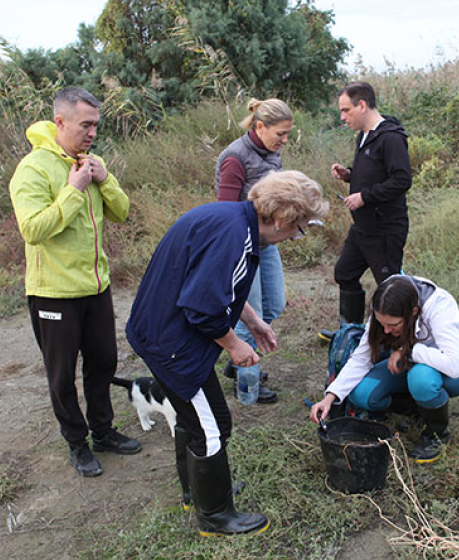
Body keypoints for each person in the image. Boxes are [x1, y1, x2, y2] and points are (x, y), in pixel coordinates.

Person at [126, 171, 329, 536]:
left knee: (206, 418)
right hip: (172, 341)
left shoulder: (233, 220)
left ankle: (197, 492)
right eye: (299, 229)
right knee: (211, 428)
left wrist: (252, 322)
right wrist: (235, 345)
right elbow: (203, 307)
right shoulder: (234, 237)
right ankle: (215, 516)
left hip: (165, 331)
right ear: (282, 218)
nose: (296, 238)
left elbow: (219, 286)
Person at [9, 86, 141, 478]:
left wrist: (104, 178)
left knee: (103, 362)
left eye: (96, 125)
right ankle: (76, 443)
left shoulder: (90, 161)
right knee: (62, 374)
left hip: (96, 287)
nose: (92, 133)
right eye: (86, 124)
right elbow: (33, 229)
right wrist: (73, 191)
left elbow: (121, 212)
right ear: (60, 122)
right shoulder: (32, 169)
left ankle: (103, 431)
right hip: (53, 293)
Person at [309, 275, 459, 464]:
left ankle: (436, 434)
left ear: (413, 312)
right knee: (362, 393)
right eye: (382, 324)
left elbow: (454, 365)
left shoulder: (439, 307)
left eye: (393, 325)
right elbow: (361, 358)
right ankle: (420, 405)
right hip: (412, 362)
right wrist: (330, 396)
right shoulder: (385, 303)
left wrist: (408, 351)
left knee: (421, 377)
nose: (386, 331)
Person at [215, 98, 295, 404]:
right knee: (249, 315)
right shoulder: (235, 158)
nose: (284, 140)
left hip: (267, 242)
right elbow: (224, 212)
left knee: (273, 305)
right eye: (281, 133)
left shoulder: (272, 152)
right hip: (241, 246)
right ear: (260, 126)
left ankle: (235, 365)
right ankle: (247, 381)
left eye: (288, 134)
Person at [323, 81, 413, 339]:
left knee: (390, 288)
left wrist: (364, 197)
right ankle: (349, 333)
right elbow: (375, 173)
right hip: (363, 228)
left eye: (346, 110)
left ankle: (398, 340)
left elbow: (401, 180)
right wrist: (350, 175)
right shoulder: (363, 135)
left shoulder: (391, 137)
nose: (343, 117)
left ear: (362, 105)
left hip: (385, 229)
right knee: (344, 273)